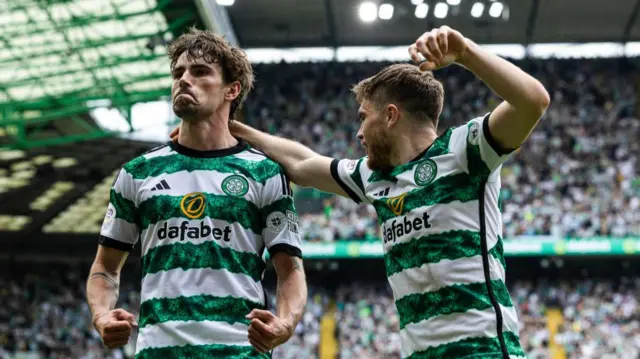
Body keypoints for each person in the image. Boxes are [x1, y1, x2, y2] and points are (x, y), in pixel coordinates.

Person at [182, 26, 549, 358]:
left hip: (483, 353)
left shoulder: (465, 152)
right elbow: (301, 163)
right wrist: (231, 129)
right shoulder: (374, 178)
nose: (358, 133)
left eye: (363, 116)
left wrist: (465, 51)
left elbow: (533, 101)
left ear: (390, 115)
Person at [87, 28, 307, 359]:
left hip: (239, 352)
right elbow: (105, 267)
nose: (184, 80)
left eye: (200, 71)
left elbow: (290, 270)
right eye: (178, 73)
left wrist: (286, 323)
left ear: (232, 89)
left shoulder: (264, 173)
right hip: (159, 353)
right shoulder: (138, 173)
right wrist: (101, 315)